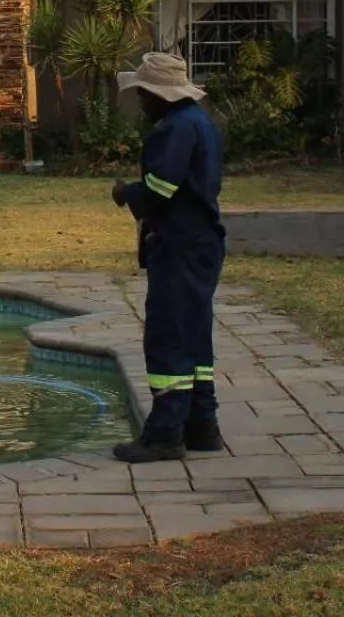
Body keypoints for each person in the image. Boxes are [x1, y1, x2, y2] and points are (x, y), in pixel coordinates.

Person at [109, 51, 226, 462]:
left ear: (162, 94)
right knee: (195, 334)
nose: (141, 100)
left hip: (178, 244)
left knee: (169, 335)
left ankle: (165, 434)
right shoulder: (201, 123)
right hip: (202, 242)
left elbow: (160, 188)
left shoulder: (174, 129)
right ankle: (202, 426)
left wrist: (126, 193)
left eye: (144, 92)